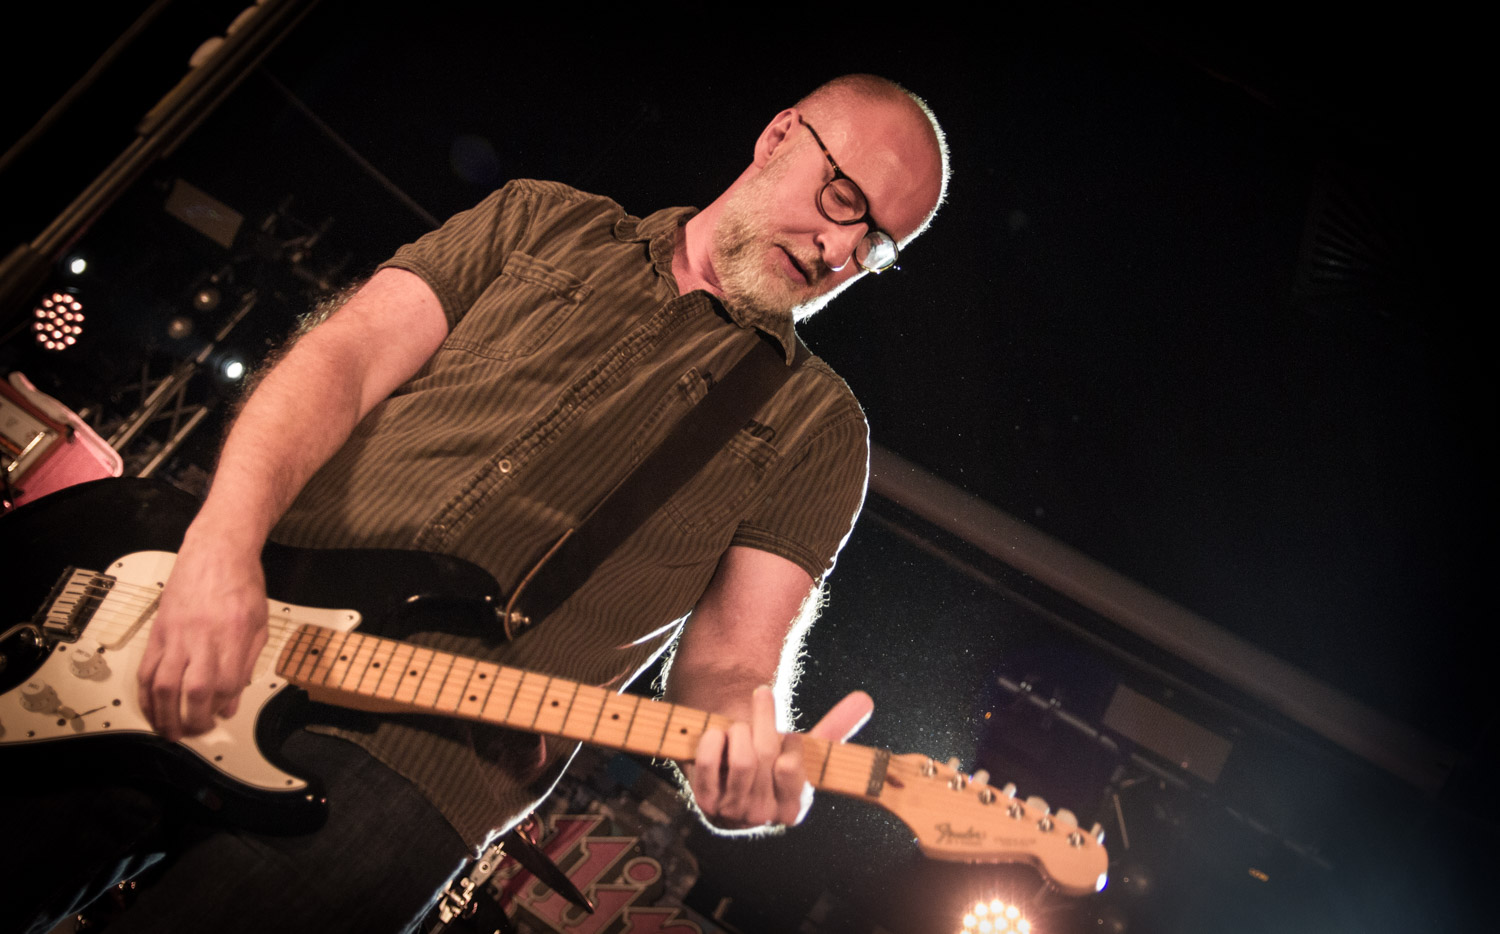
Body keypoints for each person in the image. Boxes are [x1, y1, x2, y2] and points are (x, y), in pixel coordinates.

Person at [13, 74, 948, 934]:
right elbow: (342, 362)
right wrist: (220, 549)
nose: (840, 250)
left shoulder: (821, 427)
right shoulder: (541, 217)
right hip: (213, 615)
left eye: (876, 245)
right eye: (843, 199)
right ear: (779, 136)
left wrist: (747, 752)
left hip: (420, 776)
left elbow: (733, 658)